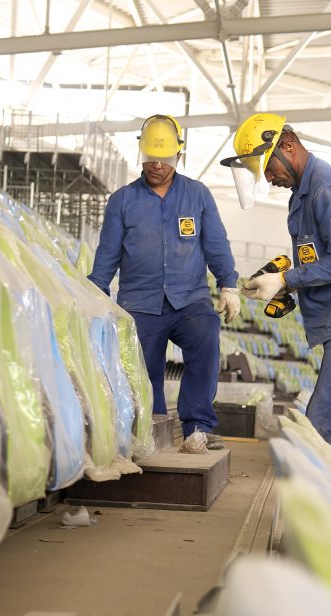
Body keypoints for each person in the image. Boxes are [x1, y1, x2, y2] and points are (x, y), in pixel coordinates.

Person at [220, 113, 331, 465]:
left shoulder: (326, 188)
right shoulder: (303, 191)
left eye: (268, 167)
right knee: (330, 417)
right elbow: (318, 256)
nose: (269, 178)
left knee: (330, 422)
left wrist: (287, 280)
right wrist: (283, 282)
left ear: (288, 146)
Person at [89, 114, 239, 451]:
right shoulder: (122, 201)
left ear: (179, 156)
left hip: (190, 300)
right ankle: (151, 428)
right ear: (141, 153)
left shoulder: (198, 195)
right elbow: (107, 255)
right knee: (144, 370)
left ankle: (197, 427)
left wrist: (228, 285)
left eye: (165, 159)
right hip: (140, 302)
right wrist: (94, 295)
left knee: (206, 337)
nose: (157, 165)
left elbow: (216, 244)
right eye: (151, 158)